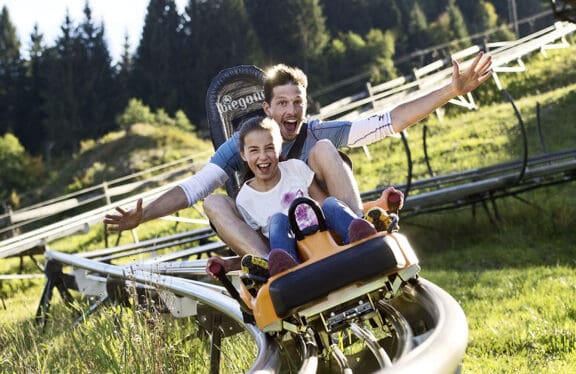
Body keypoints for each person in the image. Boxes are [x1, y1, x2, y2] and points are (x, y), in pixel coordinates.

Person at [103, 53, 493, 273]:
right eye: (283, 104)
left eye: (298, 103)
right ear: (268, 108)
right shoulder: (243, 146)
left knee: (324, 150)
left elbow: (390, 121)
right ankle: (269, 264)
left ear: (305, 104)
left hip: (326, 222)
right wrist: (144, 215)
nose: (291, 111)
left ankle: (356, 231)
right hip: (273, 236)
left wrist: (451, 91)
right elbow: (193, 188)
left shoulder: (315, 132)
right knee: (213, 201)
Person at [232, 116, 378, 277]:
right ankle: (285, 265)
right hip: (292, 247)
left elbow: (320, 202)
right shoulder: (245, 200)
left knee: (330, 203)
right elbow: (261, 243)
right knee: (277, 221)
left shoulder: (295, 167)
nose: (263, 156)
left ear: (279, 148)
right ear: (243, 155)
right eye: (254, 150)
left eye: (269, 148)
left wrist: (336, 213)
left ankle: (359, 236)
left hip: (322, 232)